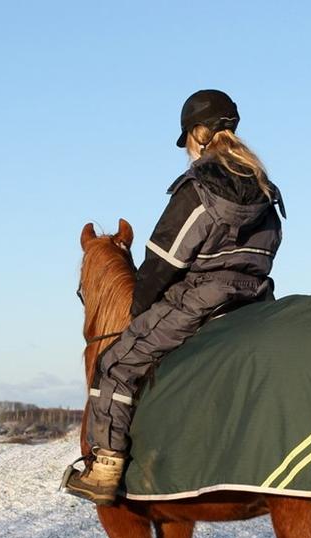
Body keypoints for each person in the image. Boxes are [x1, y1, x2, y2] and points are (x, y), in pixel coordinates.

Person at [64, 89, 286, 505]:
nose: (187, 148)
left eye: (186, 138)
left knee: (116, 363)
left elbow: (163, 262)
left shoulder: (199, 187)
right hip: (256, 300)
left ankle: (106, 467)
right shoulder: (264, 190)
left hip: (201, 300)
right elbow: (269, 249)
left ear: (199, 133)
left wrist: (137, 311)